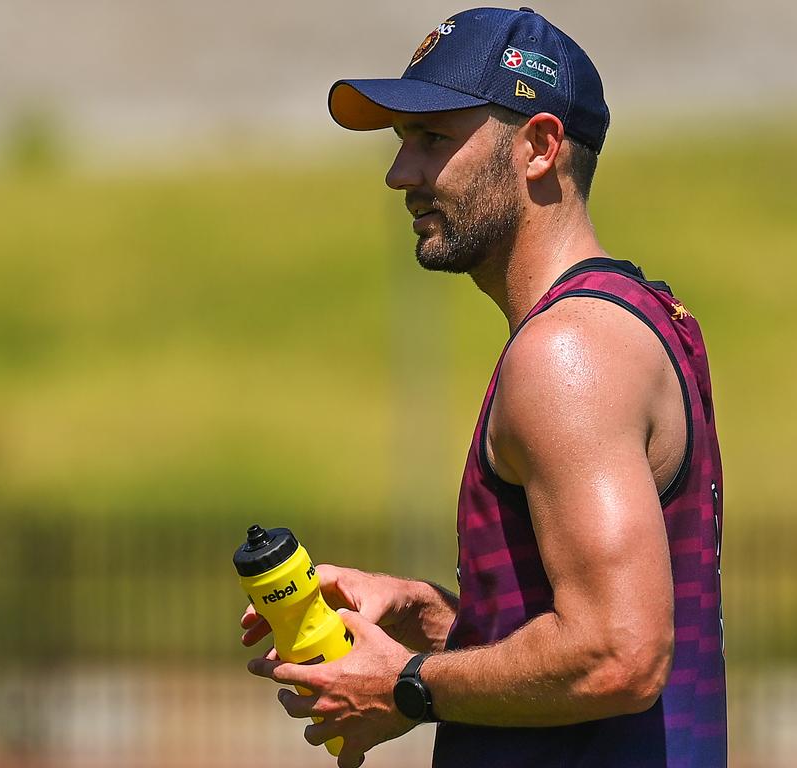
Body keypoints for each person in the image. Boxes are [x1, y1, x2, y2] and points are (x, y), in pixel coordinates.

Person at [241, 7, 726, 767]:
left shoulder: (568, 354)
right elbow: (584, 633)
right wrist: (440, 627)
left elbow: (620, 655)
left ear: (538, 147)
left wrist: (407, 685)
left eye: (433, 138)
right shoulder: (629, 317)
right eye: (403, 142)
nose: (400, 174)